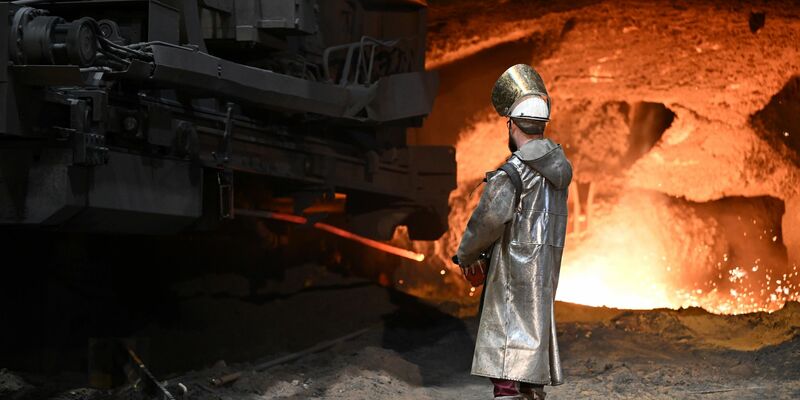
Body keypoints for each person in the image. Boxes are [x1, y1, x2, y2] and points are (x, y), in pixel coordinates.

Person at [454, 64, 572, 400]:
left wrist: (466, 255)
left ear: (512, 123)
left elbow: (486, 222)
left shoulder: (512, 174)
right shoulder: (560, 170)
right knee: (533, 343)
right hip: (544, 272)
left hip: (512, 272)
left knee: (507, 356)